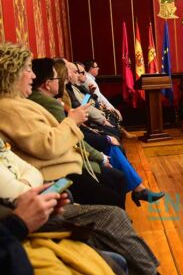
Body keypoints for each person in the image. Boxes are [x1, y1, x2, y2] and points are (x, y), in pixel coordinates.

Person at [0, 137, 183, 275]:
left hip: (45, 192)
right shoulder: (17, 107)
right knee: (112, 215)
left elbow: (30, 171)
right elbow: (46, 149)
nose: (27, 89)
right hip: (27, 217)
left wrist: (25, 185)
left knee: (114, 214)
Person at [0, 43, 157, 208]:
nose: (32, 76)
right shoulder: (12, 107)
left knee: (115, 165)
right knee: (113, 191)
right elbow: (49, 145)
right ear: (13, 72)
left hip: (67, 166)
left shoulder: (20, 103)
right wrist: (73, 121)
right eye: (27, 69)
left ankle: (135, 196)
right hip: (62, 174)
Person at [29, 57, 165, 205]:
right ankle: (137, 188)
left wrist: (93, 96)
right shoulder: (68, 91)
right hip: (86, 128)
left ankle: (137, 187)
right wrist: (98, 112)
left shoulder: (77, 87)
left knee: (113, 136)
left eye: (79, 72)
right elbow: (82, 107)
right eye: (75, 72)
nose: (78, 75)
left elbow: (89, 102)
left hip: (89, 122)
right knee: (112, 137)